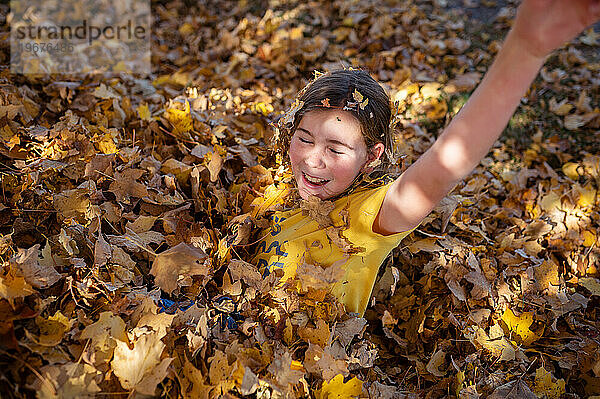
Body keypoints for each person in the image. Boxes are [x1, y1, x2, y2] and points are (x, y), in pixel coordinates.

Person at [253, 0, 600, 316]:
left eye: (335, 149)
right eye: (305, 138)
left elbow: (446, 163)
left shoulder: (368, 217)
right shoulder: (282, 188)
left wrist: (526, 50)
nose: (314, 160)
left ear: (371, 157)